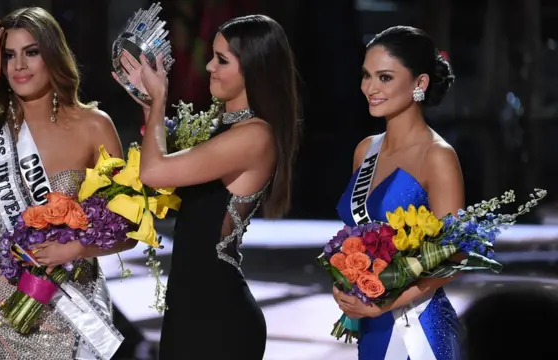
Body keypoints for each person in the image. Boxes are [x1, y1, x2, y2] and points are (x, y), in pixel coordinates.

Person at [0, 7, 136, 359]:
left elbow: (127, 227)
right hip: (8, 310)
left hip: (77, 306)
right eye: (8, 56)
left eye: (31, 52)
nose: (19, 66)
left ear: (52, 54)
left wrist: (74, 249)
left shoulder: (94, 125)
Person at [113, 14, 300, 360]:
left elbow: (154, 172)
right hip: (191, 305)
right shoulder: (225, 128)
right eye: (213, 55)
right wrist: (148, 107)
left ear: (254, 68)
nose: (209, 66)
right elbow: (165, 170)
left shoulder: (254, 136)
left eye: (222, 60)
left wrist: (158, 102)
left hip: (218, 316)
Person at [331, 26, 463, 359]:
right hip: (372, 325)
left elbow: (455, 256)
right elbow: (357, 236)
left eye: (385, 78)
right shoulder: (365, 151)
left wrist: (386, 301)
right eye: (366, 75)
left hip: (418, 327)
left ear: (419, 83)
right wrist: (347, 279)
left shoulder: (438, 156)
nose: (370, 88)